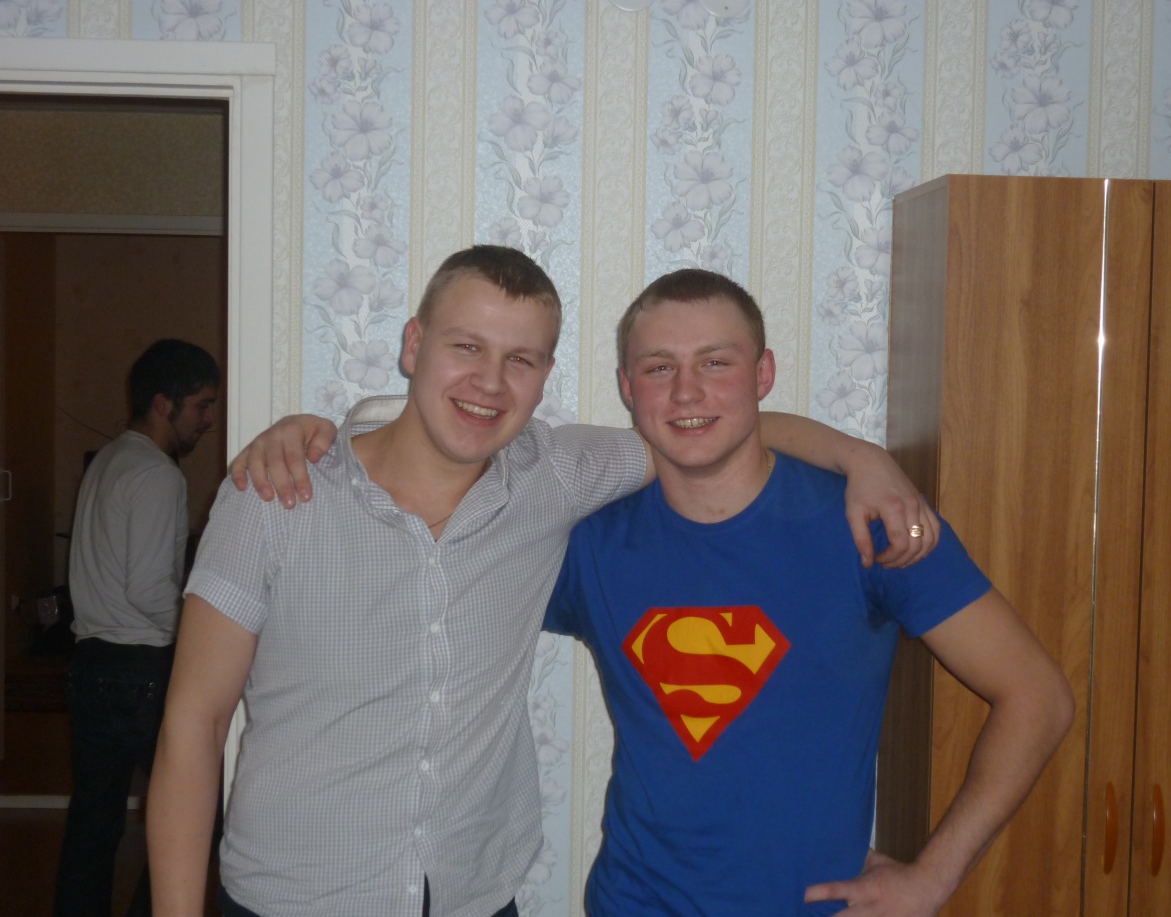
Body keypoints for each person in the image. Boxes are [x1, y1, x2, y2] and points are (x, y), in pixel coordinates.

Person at [147, 246, 937, 917]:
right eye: (467, 347)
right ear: (414, 345)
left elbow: (712, 431)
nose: (490, 383)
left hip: (475, 897)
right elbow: (193, 723)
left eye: (519, 359)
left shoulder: (556, 476)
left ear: (545, 373)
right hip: (291, 899)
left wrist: (861, 458)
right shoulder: (274, 497)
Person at [542, 269, 1075, 916]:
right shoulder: (590, 543)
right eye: (659, 368)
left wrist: (933, 878)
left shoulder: (871, 524)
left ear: (763, 374)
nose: (686, 391)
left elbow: (1037, 696)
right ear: (628, 387)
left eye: (716, 362)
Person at [54, 338, 220, 917]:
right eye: (201, 406)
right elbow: (149, 590)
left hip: (90, 667)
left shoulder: (107, 461)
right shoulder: (157, 474)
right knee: (201, 811)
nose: (208, 419)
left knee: (93, 822)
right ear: (162, 403)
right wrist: (205, 640)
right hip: (138, 674)